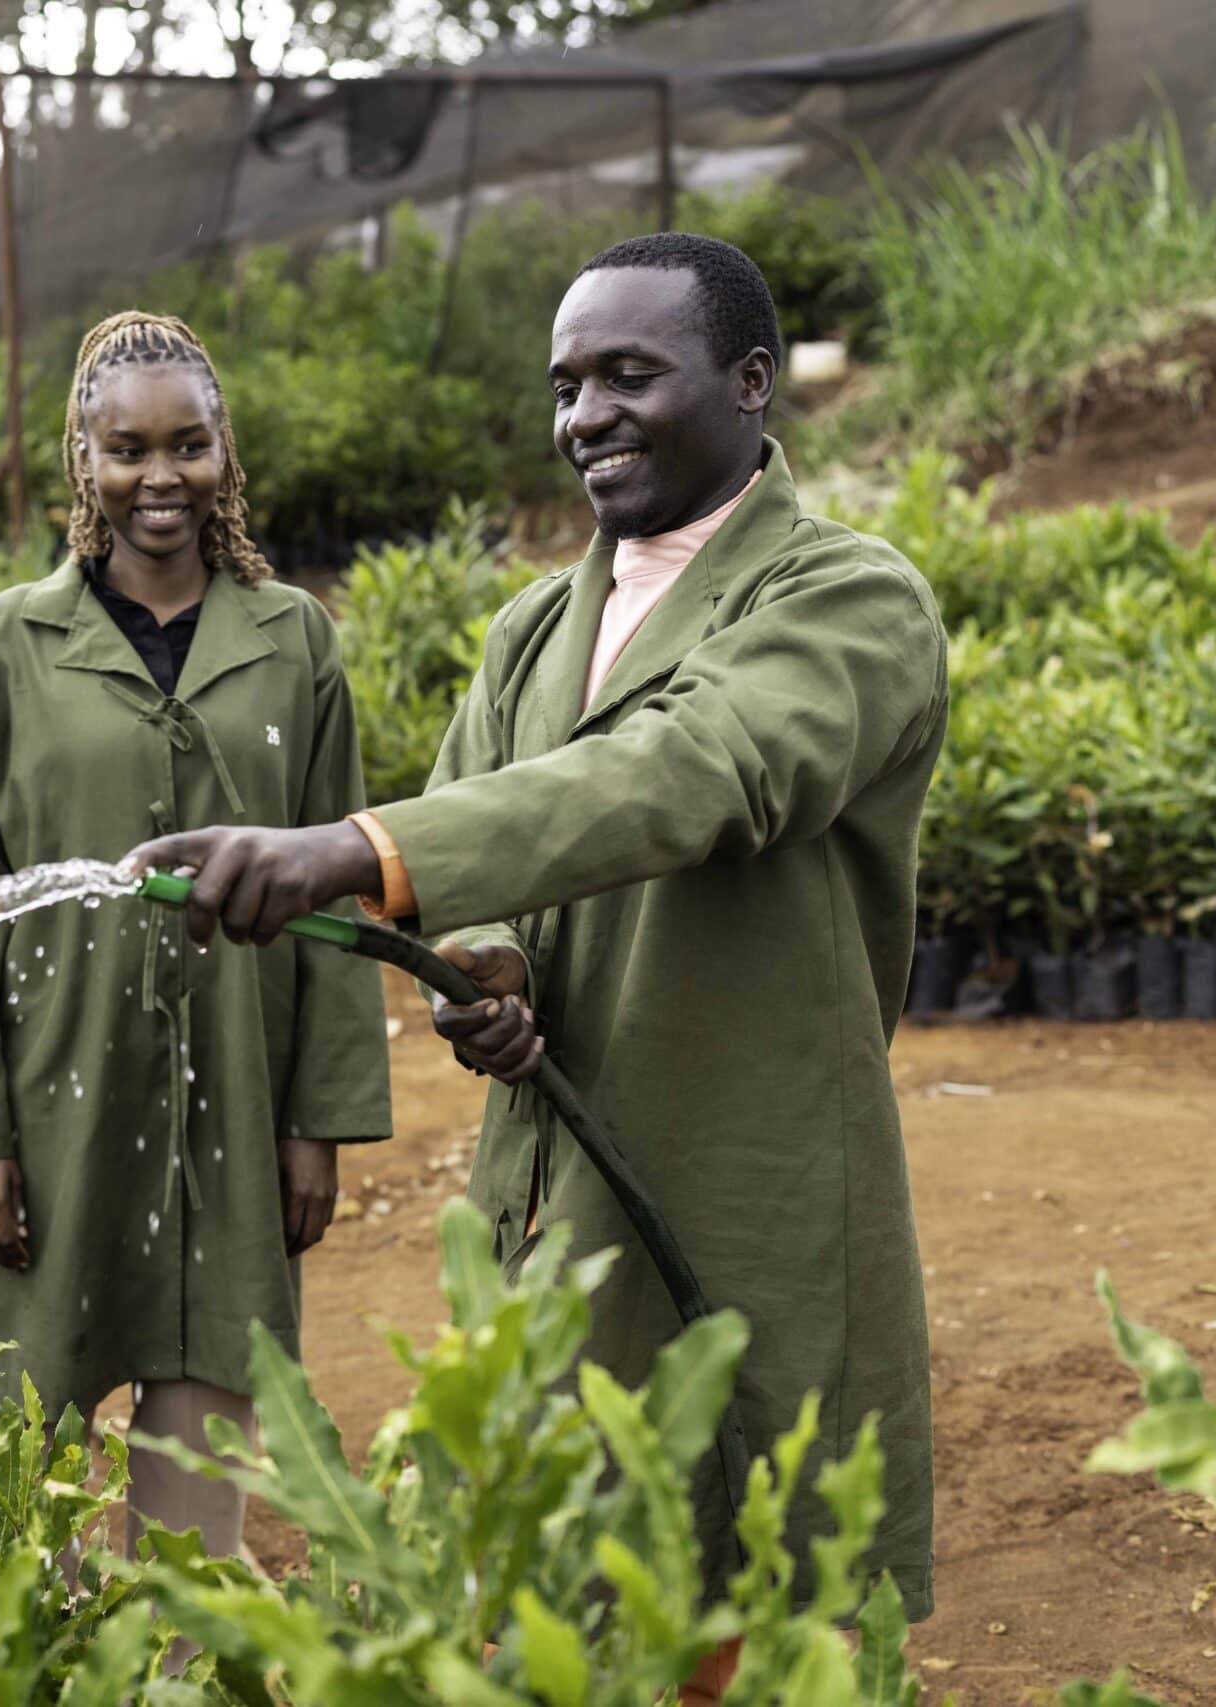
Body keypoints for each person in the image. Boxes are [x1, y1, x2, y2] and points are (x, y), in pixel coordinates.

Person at [124, 236, 946, 1688]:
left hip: (737, 1164)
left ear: (753, 384)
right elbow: (481, 872)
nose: (586, 417)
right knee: (556, 1557)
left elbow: (700, 766)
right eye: (567, 385)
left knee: (735, 1565)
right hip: (550, 1175)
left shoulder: (846, 600)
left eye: (632, 373)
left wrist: (349, 846)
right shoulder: (530, 630)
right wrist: (486, 972)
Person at [0, 311, 392, 1571]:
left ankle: (181, 1670)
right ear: (83, 458)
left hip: (237, 1085)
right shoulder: (8, 645)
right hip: (55, 1093)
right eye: (126, 449)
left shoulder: (294, 642)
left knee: (205, 1427)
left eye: (187, 445)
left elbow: (342, 907)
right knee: (29, 1436)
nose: (157, 477)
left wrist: (314, 1122)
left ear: (227, 453)